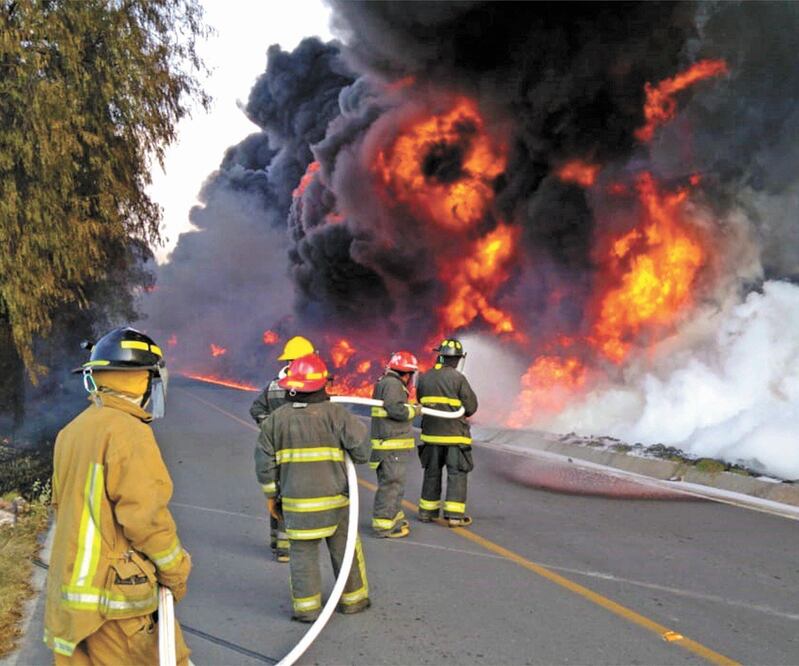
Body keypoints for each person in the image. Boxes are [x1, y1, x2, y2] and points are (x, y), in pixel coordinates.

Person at [44, 327, 192, 665]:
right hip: (114, 608)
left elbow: (63, 506)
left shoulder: (73, 431)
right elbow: (147, 521)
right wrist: (176, 572)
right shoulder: (129, 431)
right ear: (145, 380)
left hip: (69, 605)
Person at [255, 353, 372, 622]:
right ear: (322, 385)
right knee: (344, 549)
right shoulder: (337, 414)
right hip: (335, 501)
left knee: (302, 554)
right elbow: (363, 452)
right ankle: (353, 600)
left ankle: (307, 609)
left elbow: (264, 463)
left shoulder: (276, 419)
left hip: (296, 503)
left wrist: (271, 495)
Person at [250, 335, 316, 563]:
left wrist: (269, 427)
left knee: (278, 495)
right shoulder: (309, 387)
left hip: (277, 450)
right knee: (294, 495)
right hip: (300, 451)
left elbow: (256, 409)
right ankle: (288, 548)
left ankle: (277, 543)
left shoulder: (273, 386)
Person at [415, 338, 479, 527]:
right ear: (457, 359)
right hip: (454, 437)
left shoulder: (425, 377)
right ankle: (454, 516)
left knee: (431, 473)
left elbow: (421, 399)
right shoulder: (459, 378)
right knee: (457, 473)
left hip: (431, 435)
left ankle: (427, 512)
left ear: (440, 356)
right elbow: (471, 407)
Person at [369, 351, 421, 538]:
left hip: (390, 445)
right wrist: (415, 410)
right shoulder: (392, 385)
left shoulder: (387, 382)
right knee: (391, 485)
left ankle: (395, 517)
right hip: (391, 445)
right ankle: (384, 525)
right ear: (406, 373)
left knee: (395, 484)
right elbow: (396, 410)